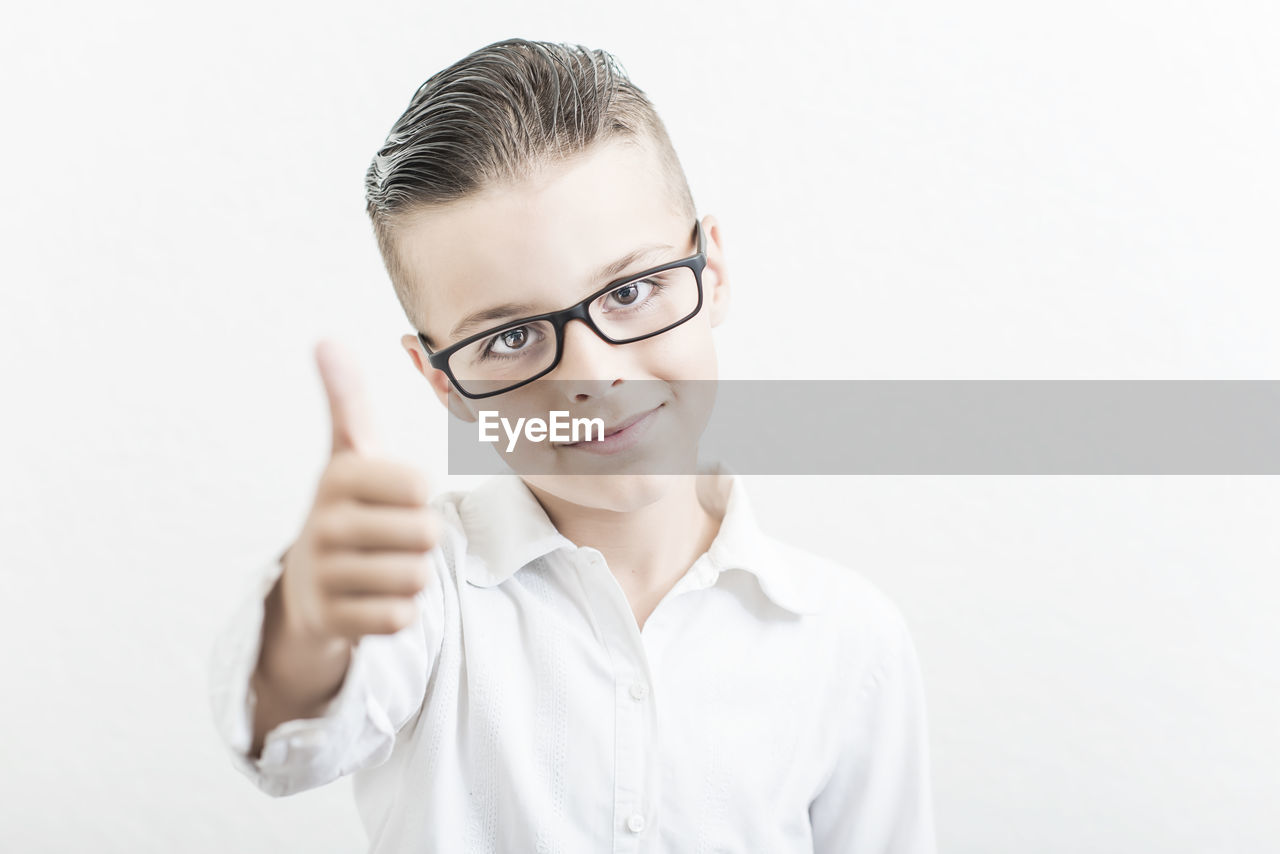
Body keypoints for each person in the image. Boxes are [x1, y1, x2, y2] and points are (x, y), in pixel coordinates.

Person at [208, 37, 937, 853]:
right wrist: (307, 622)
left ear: (715, 270)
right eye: (513, 336)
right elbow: (287, 743)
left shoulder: (848, 640)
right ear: (439, 379)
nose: (593, 376)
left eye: (630, 291)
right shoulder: (421, 597)